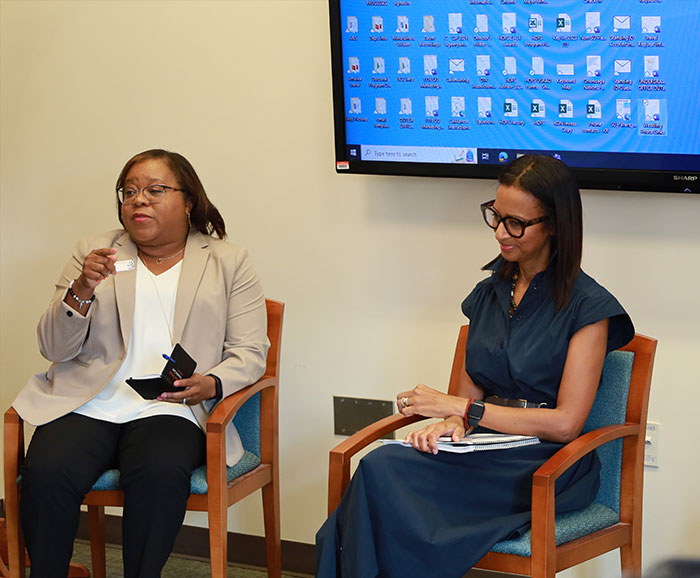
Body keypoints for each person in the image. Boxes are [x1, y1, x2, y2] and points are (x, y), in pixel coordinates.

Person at [315, 155, 635, 578]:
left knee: (385, 479)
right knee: (380, 468)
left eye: (516, 223)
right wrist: (450, 423)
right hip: (486, 446)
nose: (501, 232)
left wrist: (463, 412)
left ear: (554, 224)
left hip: (546, 462)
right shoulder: (490, 293)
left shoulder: (588, 307)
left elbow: (565, 425)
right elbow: (467, 397)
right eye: (496, 216)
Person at [13, 149, 269, 578]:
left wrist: (210, 383)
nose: (138, 201)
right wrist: (81, 289)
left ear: (188, 201)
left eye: (155, 190)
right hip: (91, 400)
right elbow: (54, 348)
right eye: (129, 192)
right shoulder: (94, 253)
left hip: (171, 406)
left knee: (158, 472)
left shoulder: (228, 261)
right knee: (46, 471)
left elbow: (249, 352)